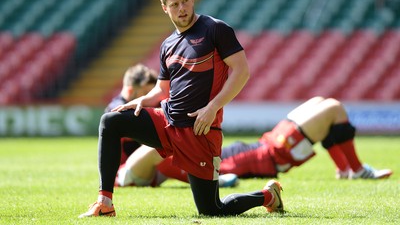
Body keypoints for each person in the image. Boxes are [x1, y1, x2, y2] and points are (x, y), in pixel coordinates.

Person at [79, 0, 283, 218]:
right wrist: (144, 100)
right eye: (174, 5)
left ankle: (268, 196)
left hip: (200, 129)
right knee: (111, 121)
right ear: (165, 8)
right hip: (167, 121)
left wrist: (212, 107)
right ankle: (104, 203)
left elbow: (242, 71)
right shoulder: (168, 44)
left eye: (185, 1)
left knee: (211, 210)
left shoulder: (215, 29)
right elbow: (162, 90)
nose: (182, 8)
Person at [117, 96, 392, 186]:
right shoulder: (173, 159)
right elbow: (132, 173)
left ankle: (346, 169)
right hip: (271, 155)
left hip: (265, 144)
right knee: (333, 107)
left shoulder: (176, 153)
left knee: (322, 102)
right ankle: (355, 170)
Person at [108, 63, 238, 187]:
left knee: (171, 143)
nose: (149, 100)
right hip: (123, 174)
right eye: (145, 93)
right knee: (160, 144)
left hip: (152, 171)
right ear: (131, 90)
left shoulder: (139, 107)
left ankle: (209, 177)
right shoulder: (115, 111)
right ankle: (213, 179)